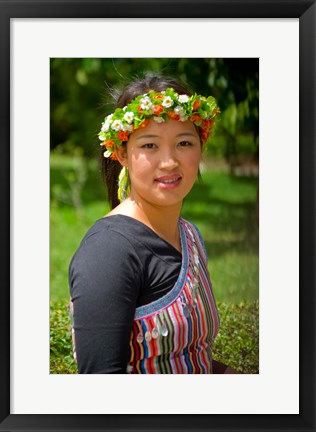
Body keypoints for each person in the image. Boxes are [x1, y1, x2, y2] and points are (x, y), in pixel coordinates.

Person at [69, 75, 237, 374]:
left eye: (184, 142)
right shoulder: (108, 252)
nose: (170, 161)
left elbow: (190, 357)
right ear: (121, 153)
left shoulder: (189, 235)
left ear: (202, 145)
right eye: (150, 145)